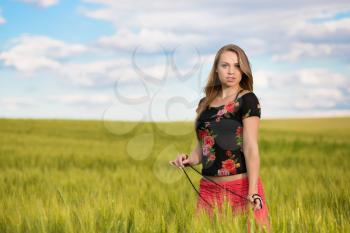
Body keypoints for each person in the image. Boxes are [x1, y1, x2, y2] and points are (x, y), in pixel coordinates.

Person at [169, 44, 271, 233]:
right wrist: (189, 159)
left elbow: (250, 146)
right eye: (225, 65)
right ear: (216, 68)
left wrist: (253, 190)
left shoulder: (247, 99)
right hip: (208, 190)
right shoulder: (204, 103)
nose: (231, 71)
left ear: (244, 70)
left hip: (240, 189)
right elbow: (204, 145)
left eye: (237, 66)